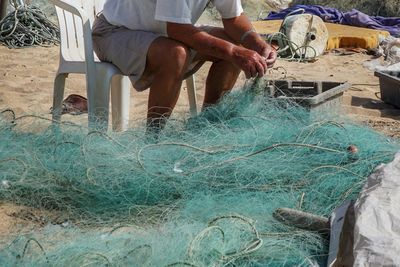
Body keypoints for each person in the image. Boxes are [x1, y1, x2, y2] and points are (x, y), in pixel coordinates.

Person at [92, 0, 277, 131]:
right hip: (114, 32)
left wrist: (258, 44)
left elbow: (233, 18)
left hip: (164, 33)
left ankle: (207, 126)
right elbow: (177, 29)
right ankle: (153, 140)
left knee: (236, 46)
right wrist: (235, 53)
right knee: (176, 54)